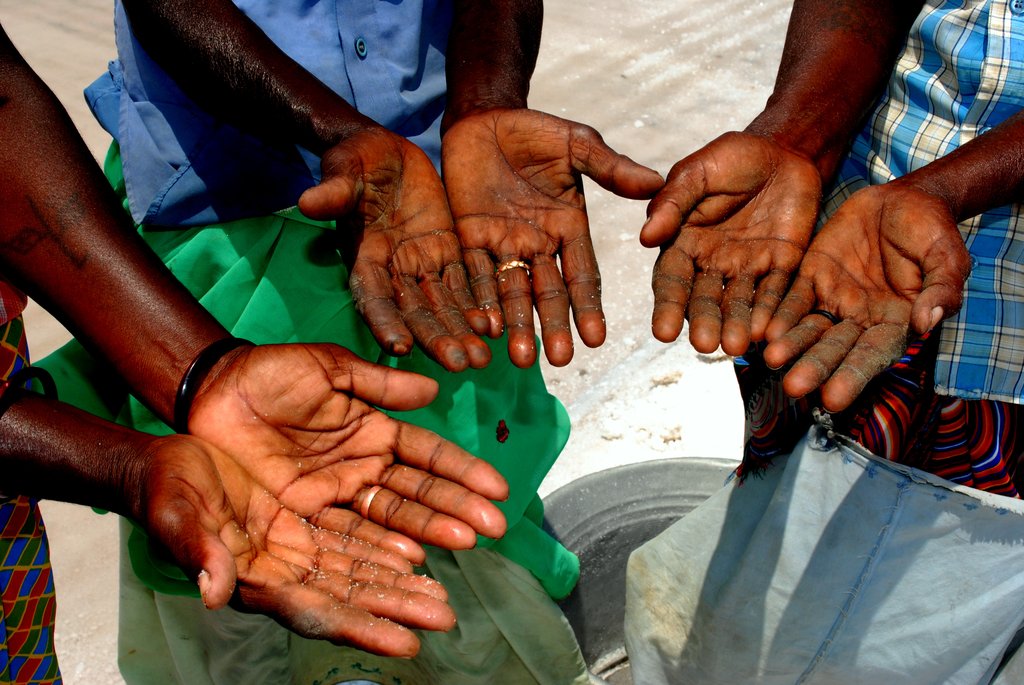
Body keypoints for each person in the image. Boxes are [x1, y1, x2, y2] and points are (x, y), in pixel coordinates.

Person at [37, 0, 664, 683]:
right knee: (243, 543)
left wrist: (485, 102)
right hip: (221, 198)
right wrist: (336, 132)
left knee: (464, 504)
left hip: (433, 195)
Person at [625, 0, 1024, 682]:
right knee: (789, 574)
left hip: (1004, 337)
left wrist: (951, 187)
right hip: (854, 265)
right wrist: (797, 137)